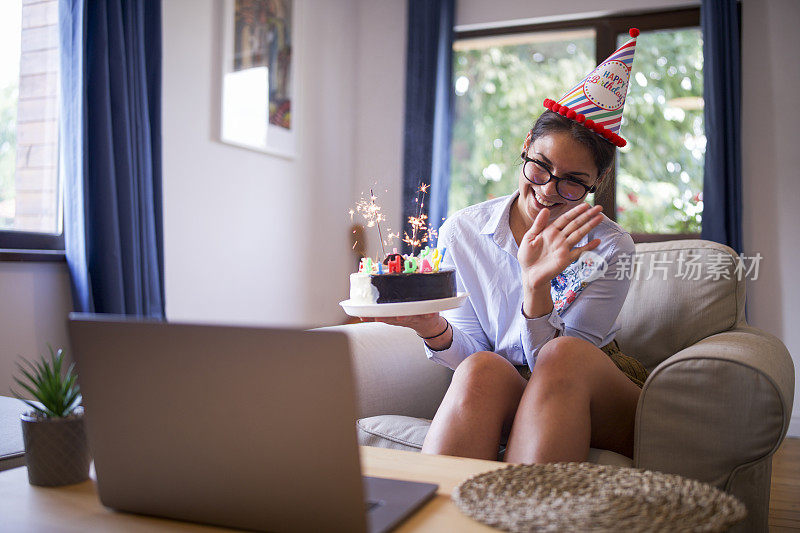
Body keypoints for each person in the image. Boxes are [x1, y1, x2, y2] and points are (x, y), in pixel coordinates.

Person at [365, 30, 648, 464]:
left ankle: (526, 515)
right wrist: (431, 328)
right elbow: (475, 352)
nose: (549, 191)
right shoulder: (463, 231)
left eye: (573, 181)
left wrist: (536, 290)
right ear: (525, 151)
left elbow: (555, 365)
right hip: (510, 382)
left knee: (563, 354)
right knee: (481, 367)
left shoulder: (610, 248)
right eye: (541, 167)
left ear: (595, 185)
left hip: (590, 383)